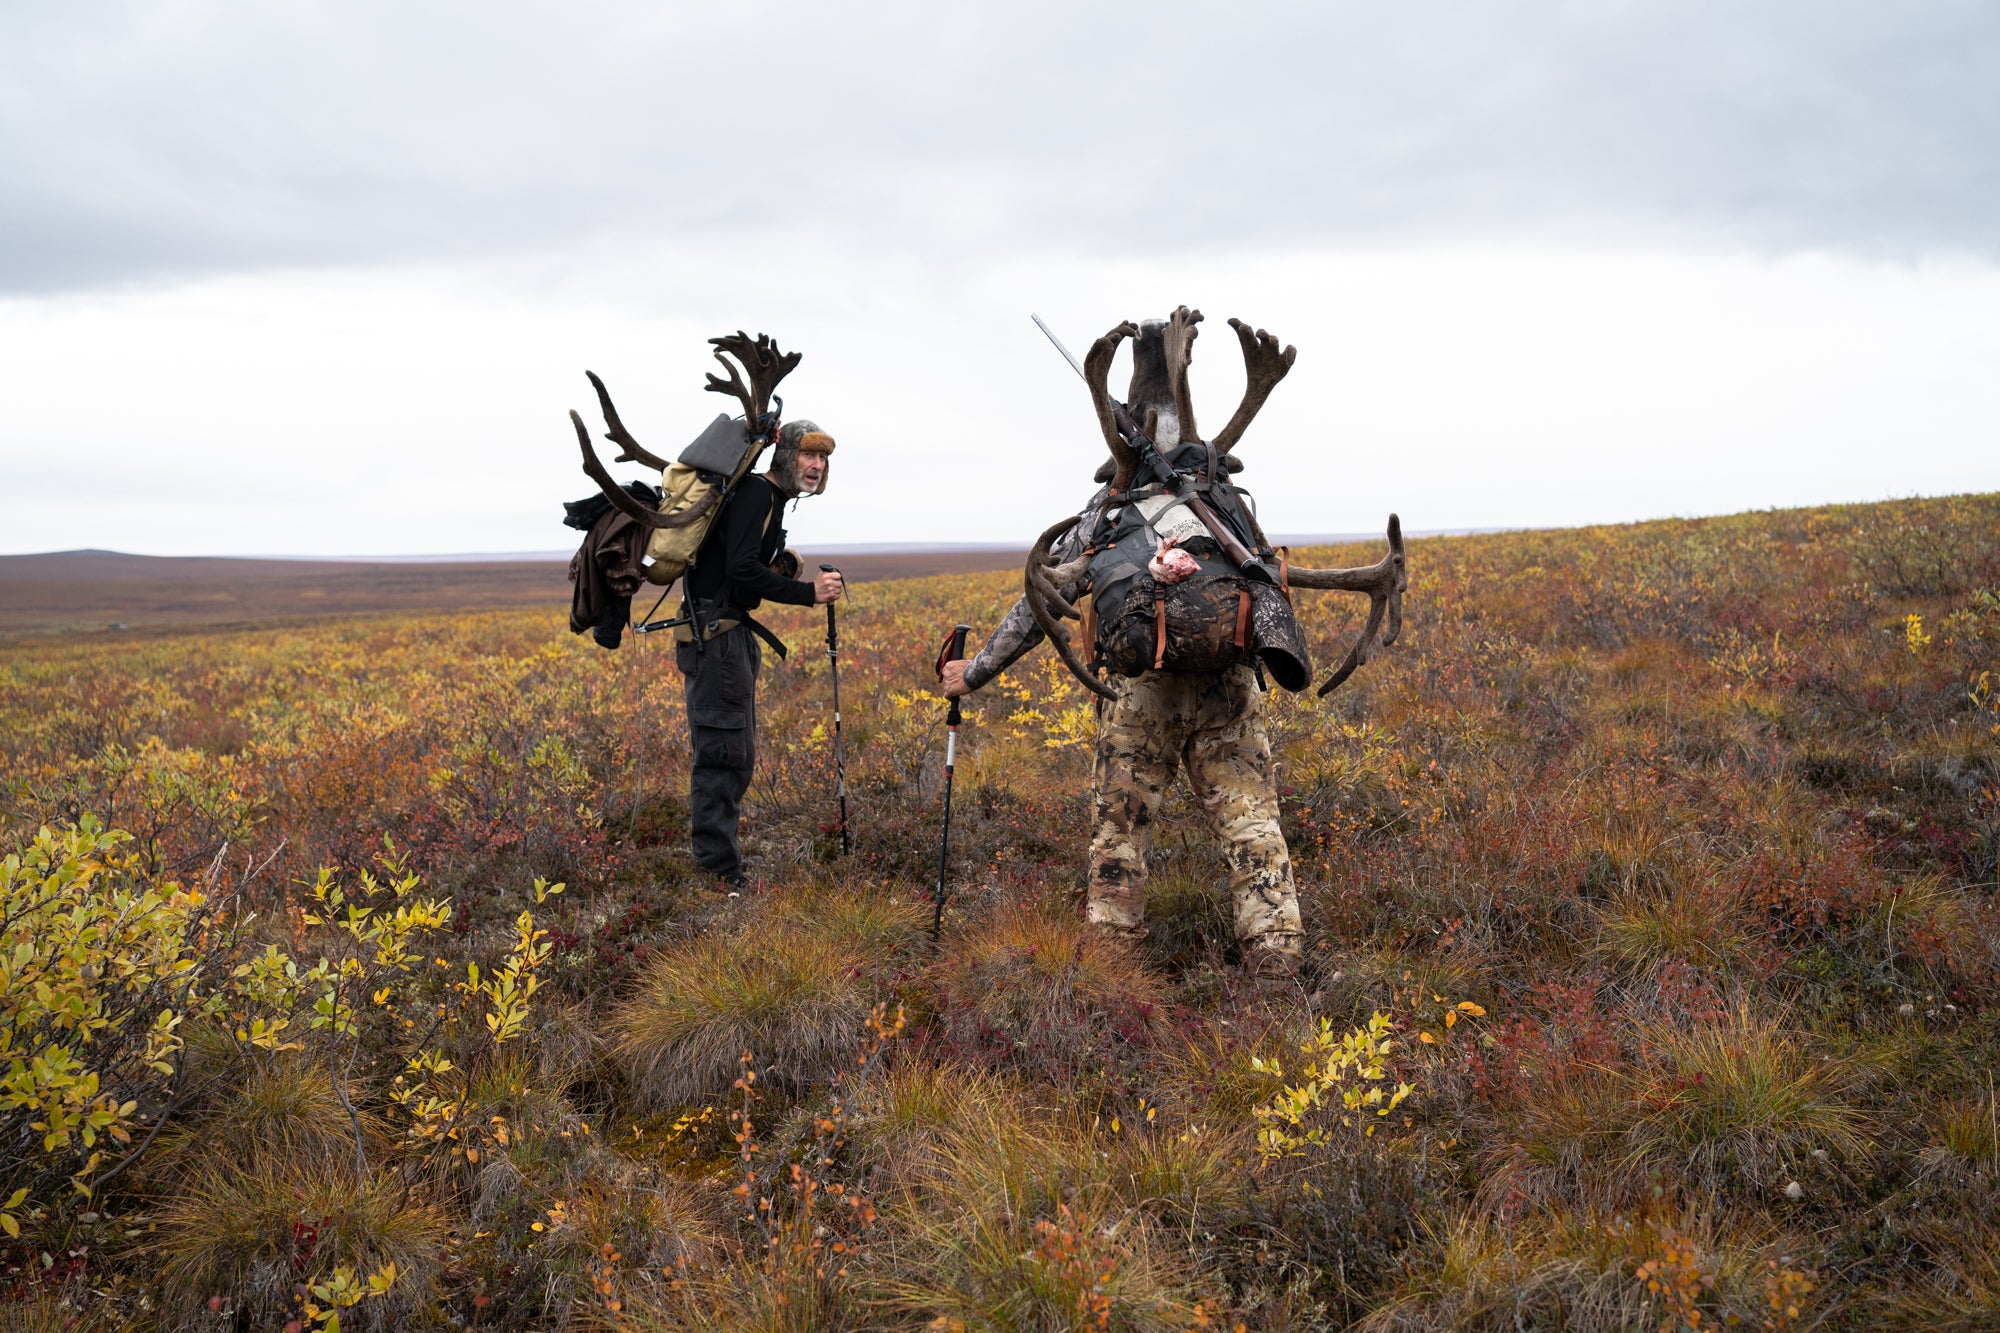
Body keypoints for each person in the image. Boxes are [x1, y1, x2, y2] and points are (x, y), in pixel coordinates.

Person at [677, 420, 842, 890]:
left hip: (729, 637)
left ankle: (719, 862)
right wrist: (807, 592)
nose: (816, 465)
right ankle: (718, 872)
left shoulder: (770, 499)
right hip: (717, 640)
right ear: (785, 456)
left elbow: (739, 571)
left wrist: (783, 568)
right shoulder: (756, 494)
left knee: (736, 751)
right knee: (723, 753)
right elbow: (741, 568)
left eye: (823, 457)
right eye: (808, 454)